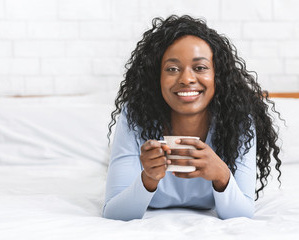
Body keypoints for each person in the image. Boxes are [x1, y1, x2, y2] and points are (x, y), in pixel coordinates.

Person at [102, 15, 282, 221]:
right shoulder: (135, 116)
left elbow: (242, 214)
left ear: (217, 75)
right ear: (157, 77)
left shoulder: (238, 119)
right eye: (172, 69)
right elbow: (113, 212)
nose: (187, 79)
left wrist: (222, 176)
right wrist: (148, 179)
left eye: (200, 68)